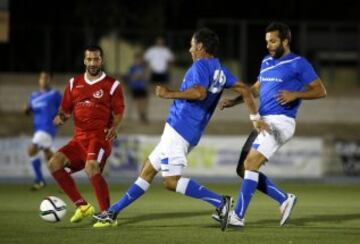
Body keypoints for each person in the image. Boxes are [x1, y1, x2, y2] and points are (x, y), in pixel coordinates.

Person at [93, 28, 269, 230]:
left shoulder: (200, 65)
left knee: (170, 181)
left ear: (201, 47)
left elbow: (199, 93)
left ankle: (220, 202)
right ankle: (113, 212)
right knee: (147, 170)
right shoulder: (220, 69)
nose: (190, 49)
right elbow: (246, 89)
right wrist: (252, 115)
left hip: (180, 128)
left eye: (193, 45)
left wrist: (169, 93)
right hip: (187, 130)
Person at [215, 21, 327, 229]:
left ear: (285, 41)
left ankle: (237, 216)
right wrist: (235, 101)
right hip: (264, 122)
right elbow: (256, 89)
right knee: (243, 168)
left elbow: (320, 90)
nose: (269, 45)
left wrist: (296, 94)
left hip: (281, 122)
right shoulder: (266, 61)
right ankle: (284, 199)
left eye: (273, 41)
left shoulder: (299, 63)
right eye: (267, 41)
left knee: (250, 164)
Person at [48, 45, 125, 223]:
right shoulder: (74, 83)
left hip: (99, 138)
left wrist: (115, 127)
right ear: (84, 61)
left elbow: (119, 112)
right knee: (54, 163)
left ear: (101, 60)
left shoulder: (112, 85)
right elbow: (65, 109)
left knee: (91, 167)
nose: (92, 62)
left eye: (96, 59)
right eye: (89, 59)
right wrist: (61, 117)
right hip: (78, 140)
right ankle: (82, 206)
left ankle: (107, 215)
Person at [25, 71, 62, 191]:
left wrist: (60, 117)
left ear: (50, 79)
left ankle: (40, 180)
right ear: (39, 80)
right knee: (51, 158)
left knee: (31, 150)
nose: (43, 80)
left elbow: (64, 107)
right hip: (38, 129)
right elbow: (29, 109)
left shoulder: (54, 94)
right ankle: (64, 177)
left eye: (46, 78)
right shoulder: (34, 96)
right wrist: (27, 109)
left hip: (48, 128)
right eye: (41, 78)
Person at [127, 52, 149, 124]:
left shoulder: (143, 67)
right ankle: (141, 116)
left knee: (144, 101)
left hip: (142, 87)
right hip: (135, 87)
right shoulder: (132, 68)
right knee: (139, 102)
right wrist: (137, 76)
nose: (140, 60)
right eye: (138, 59)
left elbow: (146, 78)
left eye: (141, 59)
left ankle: (143, 115)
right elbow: (130, 78)